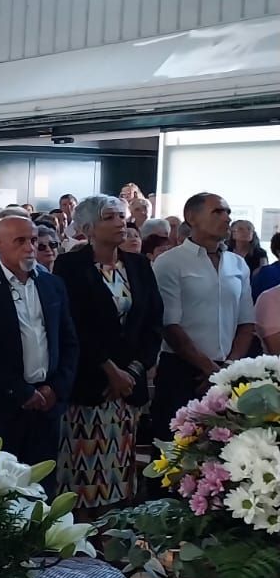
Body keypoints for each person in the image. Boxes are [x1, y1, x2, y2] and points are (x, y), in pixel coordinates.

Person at [52, 195, 163, 510]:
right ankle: (75, 542)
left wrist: (134, 370)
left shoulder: (139, 265)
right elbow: (72, 325)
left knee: (119, 478)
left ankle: (111, 542)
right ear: (88, 228)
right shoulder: (70, 266)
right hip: (90, 384)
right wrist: (109, 369)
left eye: (122, 216)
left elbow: (153, 321)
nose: (120, 224)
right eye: (110, 217)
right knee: (80, 474)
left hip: (128, 387)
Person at [0, 215, 79, 470]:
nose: (30, 247)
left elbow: (68, 342)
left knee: (42, 487)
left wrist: (55, 388)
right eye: (20, 241)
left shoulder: (53, 284)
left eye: (33, 240)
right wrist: (21, 391)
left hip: (46, 404)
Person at [149, 192, 257, 441]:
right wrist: (206, 367)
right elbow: (170, 323)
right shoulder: (170, 262)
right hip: (182, 369)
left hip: (228, 369)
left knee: (221, 454)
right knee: (174, 450)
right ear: (192, 218)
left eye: (228, 212)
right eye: (217, 212)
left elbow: (246, 321)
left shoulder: (237, 264)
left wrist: (227, 368)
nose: (226, 218)